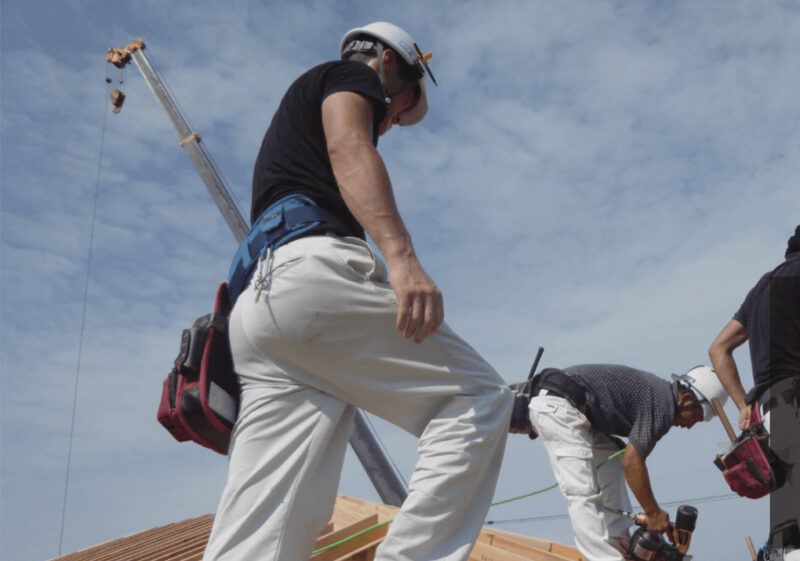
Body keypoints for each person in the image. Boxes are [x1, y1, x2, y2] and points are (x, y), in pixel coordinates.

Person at [203, 22, 513, 561]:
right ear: (390, 63)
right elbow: (349, 144)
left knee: (264, 521)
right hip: (311, 279)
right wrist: (401, 256)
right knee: (480, 398)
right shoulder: (351, 74)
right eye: (401, 106)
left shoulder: (293, 120)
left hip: (261, 310)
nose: (392, 119)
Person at [509, 363, 728, 561]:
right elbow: (634, 461)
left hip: (573, 410)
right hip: (559, 406)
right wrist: (652, 513)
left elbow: (628, 458)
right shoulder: (662, 405)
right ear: (688, 399)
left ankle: (620, 544)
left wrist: (653, 515)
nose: (691, 426)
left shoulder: (660, 397)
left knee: (613, 456)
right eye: (697, 417)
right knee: (582, 491)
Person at [709, 225, 800, 560]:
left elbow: (718, 348)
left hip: (773, 416)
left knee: (790, 519)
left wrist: (743, 403)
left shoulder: (763, 287)